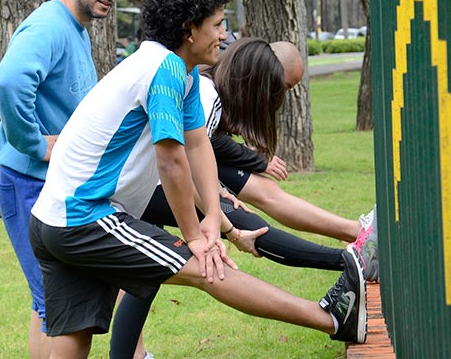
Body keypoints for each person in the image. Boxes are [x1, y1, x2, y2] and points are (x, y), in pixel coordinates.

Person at [28, 0, 367, 358]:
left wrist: (220, 225)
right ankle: (334, 319)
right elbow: (171, 162)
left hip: (52, 219)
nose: (225, 35)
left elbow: (197, 148)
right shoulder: (165, 71)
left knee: (74, 342)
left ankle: (335, 315)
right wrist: (196, 237)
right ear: (190, 29)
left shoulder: (182, 72)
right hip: (84, 217)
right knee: (208, 268)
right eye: (218, 24)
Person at [110, 37, 377, 359]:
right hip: (142, 187)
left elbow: (198, 157)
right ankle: (351, 262)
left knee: (146, 271)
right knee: (241, 229)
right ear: (257, 87)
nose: (221, 36)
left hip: (137, 186)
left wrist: (219, 196)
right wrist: (225, 223)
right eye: (278, 91)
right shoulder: (205, 95)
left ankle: (128, 356)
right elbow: (178, 163)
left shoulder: (205, 89)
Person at [0, 0, 125, 359]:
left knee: (49, 301)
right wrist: (34, 143)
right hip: (29, 182)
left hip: (57, 187)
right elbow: (10, 82)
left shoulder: (78, 30)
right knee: (61, 304)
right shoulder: (48, 25)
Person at [204, 38, 379, 281]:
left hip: (168, 176)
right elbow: (197, 146)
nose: (281, 97)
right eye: (284, 87)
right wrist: (228, 224)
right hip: (158, 182)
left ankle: (358, 235)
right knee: (247, 225)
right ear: (263, 80)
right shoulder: (207, 93)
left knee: (264, 194)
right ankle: (356, 262)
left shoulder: (220, 87)